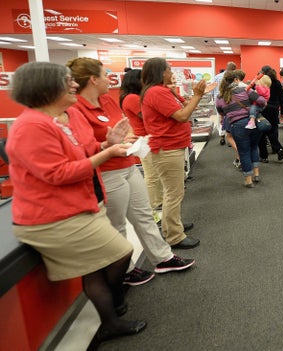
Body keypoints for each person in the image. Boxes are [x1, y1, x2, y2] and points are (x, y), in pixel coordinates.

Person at [7, 62, 146, 343]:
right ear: (46, 87)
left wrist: (106, 144)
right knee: (120, 254)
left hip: (76, 208)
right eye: (68, 81)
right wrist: (106, 155)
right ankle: (114, 306)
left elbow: (81, 151)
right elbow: (58, 173)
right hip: (55, 217)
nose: (74, 85)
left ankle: (109, 319)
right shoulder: (31, 127)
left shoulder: (58, 118)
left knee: (96, 266)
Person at [69, 58, 195, 286]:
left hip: (127, 164)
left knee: (144, 215)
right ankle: (125, 270)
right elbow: (85, 146)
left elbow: (122, 127)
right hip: (106, 171)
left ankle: (163, 257)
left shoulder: (107, 100)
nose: (110, 79)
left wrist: (126, 138)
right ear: (93, 79)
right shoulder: (76, 108)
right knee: (117, 223)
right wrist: (108, 145)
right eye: (105, 75)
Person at [141, 57, 213, 249]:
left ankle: (174, 224)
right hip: (167, 148)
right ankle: (174, 236)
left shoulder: (163, 91)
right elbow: (182, 116)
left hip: (172, 147)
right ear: (160, 72)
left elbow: (183, 107)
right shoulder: (156, 92)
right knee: (173, 193)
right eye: (169, 69)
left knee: (175, 191)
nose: (172, 72)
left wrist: (188, 95)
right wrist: (197, 95)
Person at [120, 69, 164, 215]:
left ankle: (158, 201)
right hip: (144, 139)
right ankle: (153, 206)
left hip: (147, 138)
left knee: (154, 173)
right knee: (152, 175)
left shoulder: (131, 97)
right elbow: (146, 115)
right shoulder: (132, 98)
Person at [216, 70, 266, 187]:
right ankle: (256, 174)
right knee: (254, 147)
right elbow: (262, 101)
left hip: (237, 126)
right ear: (235, 80)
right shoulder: (245, 90)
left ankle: (249, 180)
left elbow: (221, 112)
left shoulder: (220, 96)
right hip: (252, 122)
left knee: (243, 152)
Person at [258, 67, 283, 162]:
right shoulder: (277, 83)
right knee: (272, 131)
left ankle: (264, 156)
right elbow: (282, 99)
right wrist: (282, 112)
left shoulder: (261, 82)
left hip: (263, 108)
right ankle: (278, 148)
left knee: (261, 133)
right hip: (274, 109)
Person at [212, 61, 236, 145]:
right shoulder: (233, 77)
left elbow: (213, 88)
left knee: (220, 117)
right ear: (233, 69)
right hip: (230, 99)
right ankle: (230, 135)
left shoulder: (217, 76)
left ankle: (222, 136)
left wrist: (214, 98)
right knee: (231, 116)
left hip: (218, 99)